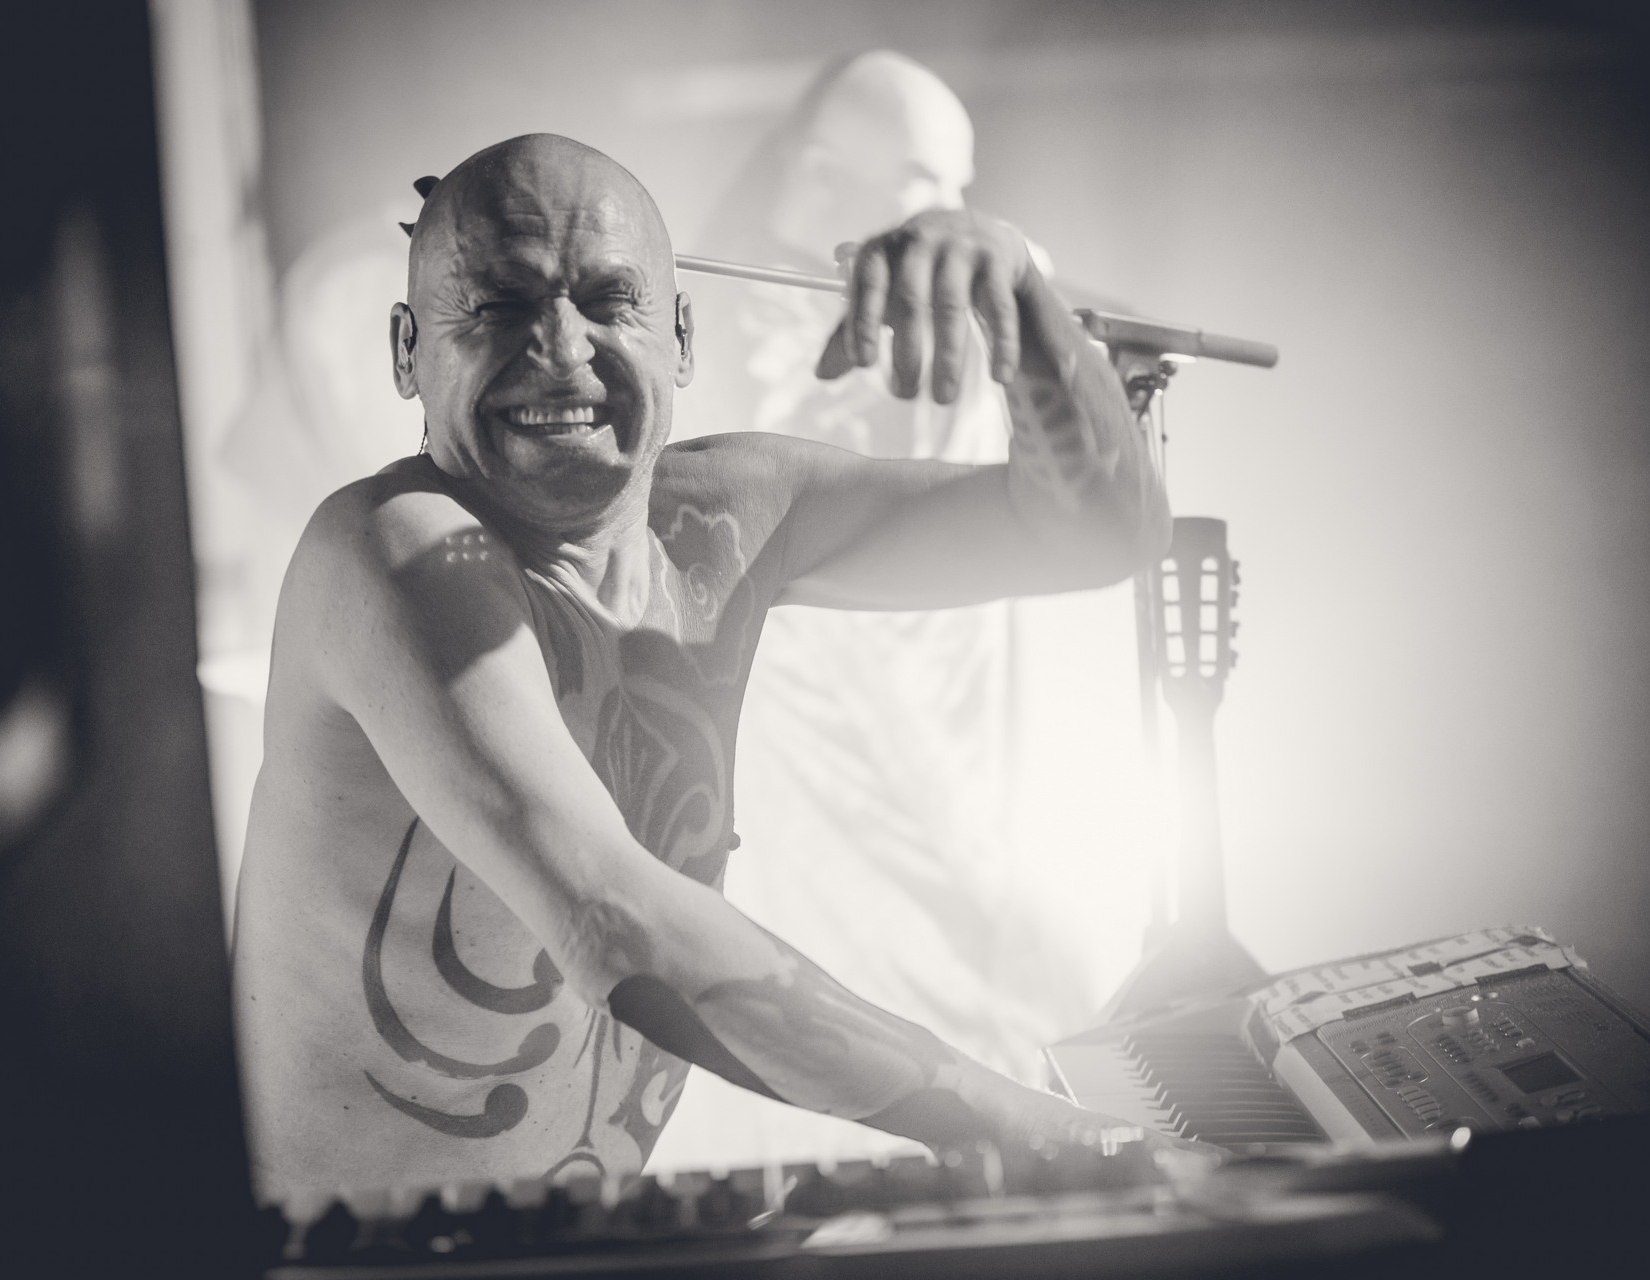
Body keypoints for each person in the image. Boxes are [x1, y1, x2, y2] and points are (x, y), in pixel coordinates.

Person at [230, 132, 1170, 1199]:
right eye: (497, 304)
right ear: (407, 352)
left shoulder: (732, 514)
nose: (561, 347)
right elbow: (612, 918)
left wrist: (1024, 307)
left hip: (585, 1241)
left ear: (681, 335)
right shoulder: (389, 550)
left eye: (608, 300)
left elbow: (1097, 532)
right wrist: (1031, 1126)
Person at [659, 55, 1144, 1177]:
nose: (955, 209)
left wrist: (1027, 298)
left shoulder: (966, 319)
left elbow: (1105, 524)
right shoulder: (706, 347)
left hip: (968, 805)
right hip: (807, 842)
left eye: (965, 187)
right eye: (928, 178)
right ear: (819, 174)